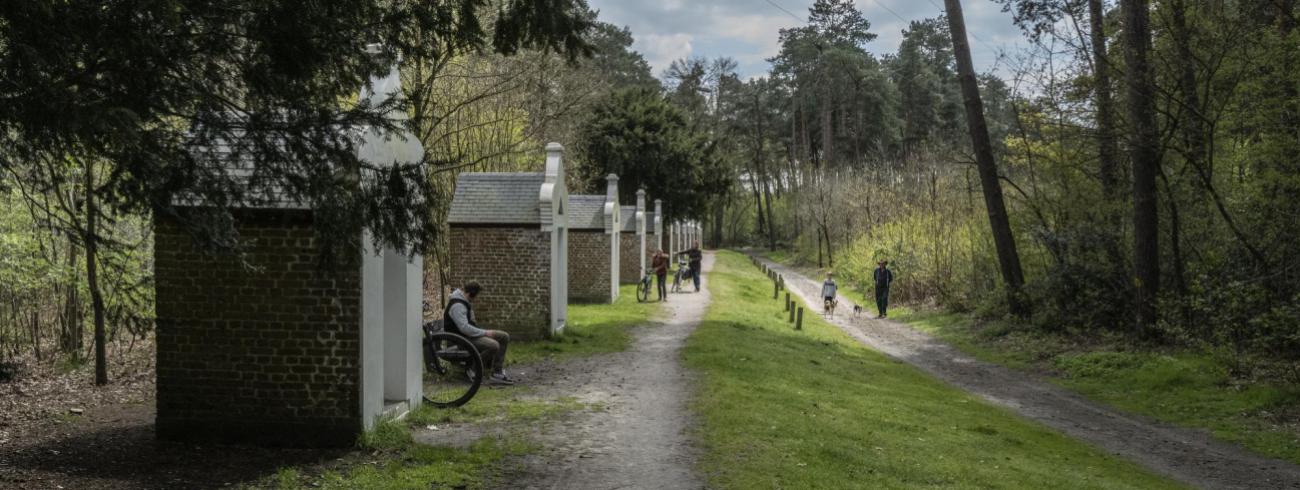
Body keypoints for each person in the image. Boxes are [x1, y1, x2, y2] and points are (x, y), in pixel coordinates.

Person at [444, 281, 515, 385]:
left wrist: (481, 330)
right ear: (470, 294)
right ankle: (472, 369)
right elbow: (464, 328)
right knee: (493, 345)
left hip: (467, 336)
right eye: (475, 296)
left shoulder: (464, 302)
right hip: (460, 340)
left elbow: (470, 324)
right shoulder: (457, 306)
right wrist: (485, 333)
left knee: (504, 336)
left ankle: (497, 372)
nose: (475, 299)